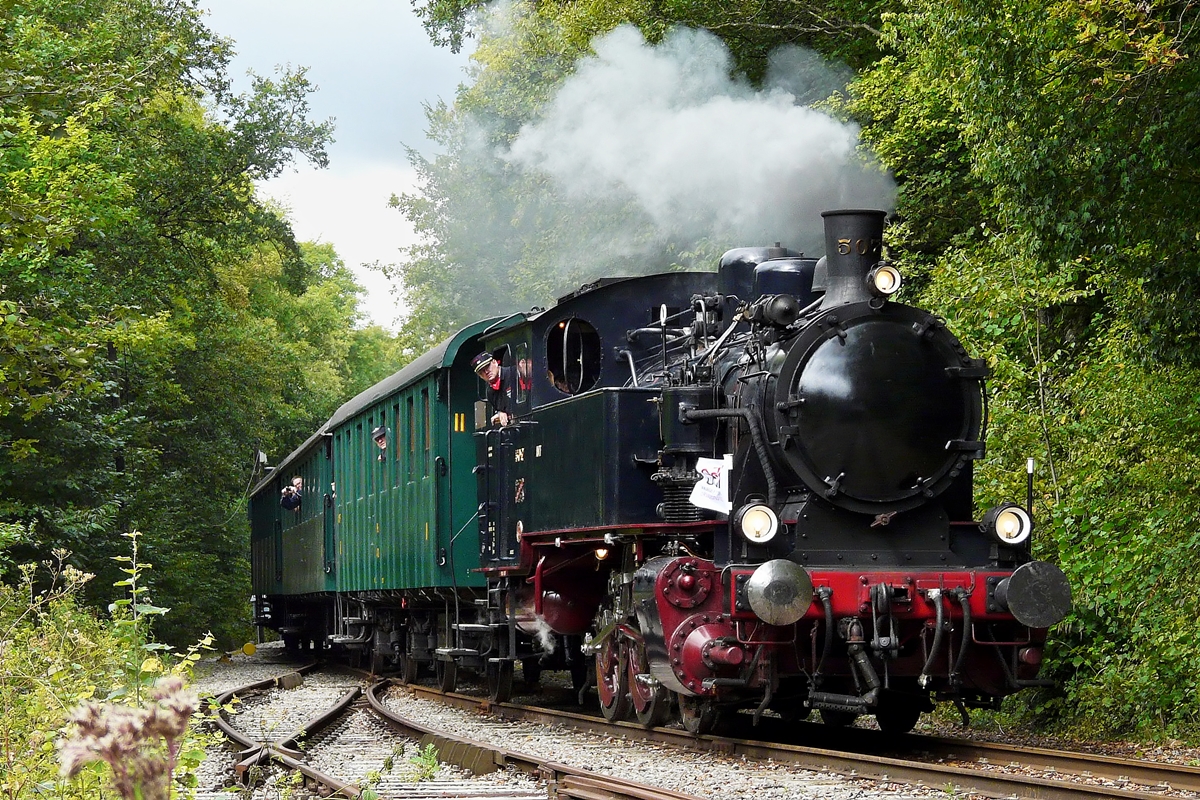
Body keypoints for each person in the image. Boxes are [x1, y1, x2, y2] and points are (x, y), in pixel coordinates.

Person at [471, 351, 517, 426]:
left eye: (488, 366)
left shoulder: (514, 373)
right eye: (481, 371)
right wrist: (500, 413)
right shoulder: (489, 392)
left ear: (495, 362)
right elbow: (499, 409)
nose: (486, 372)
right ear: (480, 376)